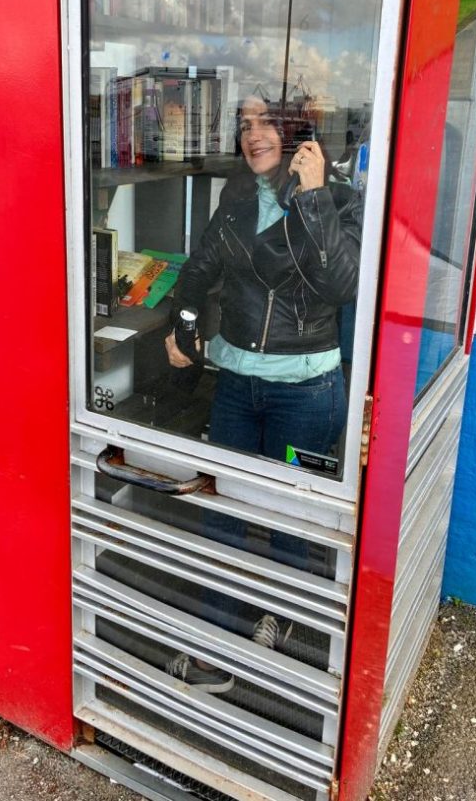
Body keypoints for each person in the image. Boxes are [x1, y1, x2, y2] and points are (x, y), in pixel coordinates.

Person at [162, 94, 363, 693]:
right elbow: (201, 266)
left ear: (297, 133)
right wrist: (185, 320)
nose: (252, 136)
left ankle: (280, 617)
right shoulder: (237, 195)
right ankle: (218, 639)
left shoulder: (342, 198)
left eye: (265, 124)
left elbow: (343, 283)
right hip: (237, 383)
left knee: (284, 519)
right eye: (244, 125)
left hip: (306, 390)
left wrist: (316, 194)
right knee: (222, 512)